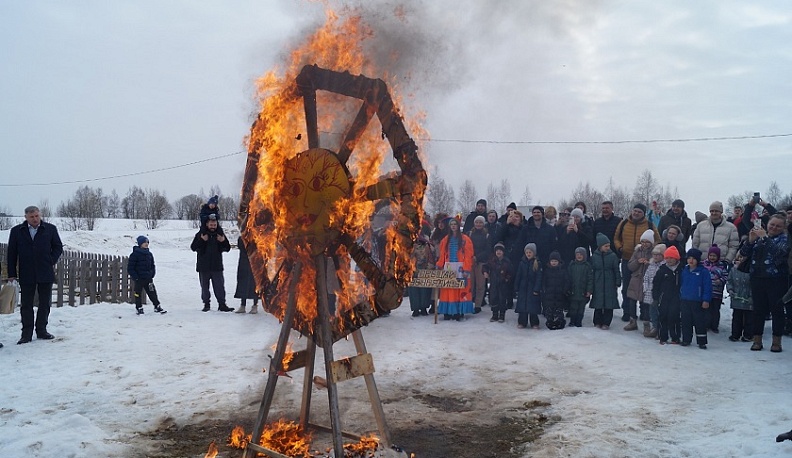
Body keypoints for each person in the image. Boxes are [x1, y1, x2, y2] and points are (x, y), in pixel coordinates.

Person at [6, 206, 63, 344]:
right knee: (26, 305)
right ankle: (26, 334)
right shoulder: (17, 231)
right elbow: (12, 254)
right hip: (26, 272)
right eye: (32, 217)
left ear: (40, 215)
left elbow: (58, 246)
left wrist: (51, 260)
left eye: (37, 216)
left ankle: (42, 330)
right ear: (26, 217)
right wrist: (12, 274)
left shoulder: (49, 229)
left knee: (44, 303)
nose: (35, 219)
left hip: (45, 271)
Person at [739, 213, 790, 352]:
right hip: (757, 278)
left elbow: (779, 254)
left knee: (777, 310)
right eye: (772, 224)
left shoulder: (784, 239)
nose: (774, 227)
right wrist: (750, 241)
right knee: (758, 310)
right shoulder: (759, 236)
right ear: (767, 224)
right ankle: (757, 340)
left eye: (778, 226)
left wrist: (765, 237)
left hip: (776, 279)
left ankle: (776, 341)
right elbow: (744, 253)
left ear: (783, 227)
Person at [613, 204, 660, 322]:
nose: (636, 213)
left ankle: (644, 312)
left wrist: (650, 252)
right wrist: (620, 248)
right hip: (627, 259)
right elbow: (616, 238)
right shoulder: (624, 223)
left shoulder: (649, 225)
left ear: (643, 213)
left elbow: (658, 240)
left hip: (645, 262)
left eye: (639, 211)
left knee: (644, 287)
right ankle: (627, 312)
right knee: (628, 287)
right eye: (635, 211)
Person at [190, 214, 234, 312]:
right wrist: (202, 240)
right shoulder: (200, 234)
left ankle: (222, 304)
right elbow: (193, 247)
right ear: (207, 224)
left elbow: (227, 248)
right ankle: (206, 304)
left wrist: (223, 241)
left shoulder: (220, 234)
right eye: (211, 225)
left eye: (214, 225)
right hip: (203, 266)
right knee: (205, 287)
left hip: (216, 266)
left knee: (219, 287)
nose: (213, 226)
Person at [435, 218, 475, 321]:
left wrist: (466, 269)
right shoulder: (445, 240)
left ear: (458, 225)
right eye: (451, 224)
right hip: (448, 267)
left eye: (455, 224)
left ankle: (458, 311)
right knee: (448, 289)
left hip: (461, 267)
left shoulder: (466, 239)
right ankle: (448, 311)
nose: (453, 226)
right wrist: (439, 265)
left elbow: (468, 255)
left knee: (460, 289)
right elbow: (442, 255)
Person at [679, 248, 712, 349]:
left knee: (699, 322)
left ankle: (701, 341)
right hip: (685, 300)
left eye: (693, 258)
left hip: (698, 301)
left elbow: (707, 287)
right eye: (689, 258)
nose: (691, 260)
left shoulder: (703, 272)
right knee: (685, 321)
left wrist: (706, 300)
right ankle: (686, 339)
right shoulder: (684, 270)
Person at [625, 230, 655, 331]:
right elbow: (630, 266)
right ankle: (632, 321)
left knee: (646, 303)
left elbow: (656, 266)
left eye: (647, 242)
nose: (644, 244)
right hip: (635, 280)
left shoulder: (654, 253)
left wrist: (649, 263)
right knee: (632, 301)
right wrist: (638, 262)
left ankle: (646, 324)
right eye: (643, 241)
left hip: (647, 282)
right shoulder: (637, 251)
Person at [590, 233, 621, 330]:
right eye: (605, 246)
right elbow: (592, 271)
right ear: (600, 246)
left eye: (609, 245)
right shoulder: (594, 257)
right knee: (598, 303)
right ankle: (597, 321)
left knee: (609, 303)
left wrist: (617, 281)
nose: (608, 248)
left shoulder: (612, 256)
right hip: (598, 281)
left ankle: (606, 322)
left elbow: (616, 270)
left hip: (609, 282)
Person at [128, 236, 165, 315]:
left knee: (152, 292)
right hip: (139, 279)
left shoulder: (149, 254)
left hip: (148, 279)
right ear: (140, 244)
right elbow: (130, 268)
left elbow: (152, 265)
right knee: (137, 293)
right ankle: (139, 307)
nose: (146, 244)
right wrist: (136, 277)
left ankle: (157, 306)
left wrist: (152, 274)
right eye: (144, 242)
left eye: (147, 242)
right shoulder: (135, 255)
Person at [653, 246, 682, 345]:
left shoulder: (680, 270)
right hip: (663, 297)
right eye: (667, 258)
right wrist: (655, 297)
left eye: (671, 258)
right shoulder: (662, 270)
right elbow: (656, 284)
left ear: (676, 258)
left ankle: (675, 337)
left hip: (676, 298)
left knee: (674, 317)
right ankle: (663, 336)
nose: (669, 260)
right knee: (663, 316)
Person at [726, 251, 753, 342]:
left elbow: (754, 284)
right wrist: (730, 290)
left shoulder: (752, 270)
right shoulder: (733, 270)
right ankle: (735, 334)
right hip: (737, 298)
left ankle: (748, 335)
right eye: (739, 257)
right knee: (737, 318)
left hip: (748, 299)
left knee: (749, 318)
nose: (741, 260)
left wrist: (752, 295)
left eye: (743, 258)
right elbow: (729, 281)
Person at [514, 243, 542, 329]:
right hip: (523, 288)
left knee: (533, 307)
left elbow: (539, 277)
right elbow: (518, 275)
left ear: (534, 253)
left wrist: (537, 288)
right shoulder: (522, 263)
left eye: (530, 252)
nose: (528, 254)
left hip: (532, 289)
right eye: (527, 252)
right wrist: (516, 286)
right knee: (522, 307)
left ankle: (534, 323)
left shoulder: (537, 263)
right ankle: (522, 322)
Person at [702, 244, 729, 333]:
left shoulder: (721, 266)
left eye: (714, 256)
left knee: (715, 310)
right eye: (711, 255)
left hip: (717, 292)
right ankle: (706, 324)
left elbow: (726, 276)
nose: (712, 257)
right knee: (706, 309)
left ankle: (714, 325)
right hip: (706, 292)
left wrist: (720, 280)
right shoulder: (704, 265)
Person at [641, 243, 666, 338]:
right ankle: (654, 327)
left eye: (658, 255)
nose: (655, 256)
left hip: (659, 293)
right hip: (649, 292)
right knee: (652, 310)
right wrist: (645, 287)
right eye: (654, 254)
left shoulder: (663, 266)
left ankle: (660, 328)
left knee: (659, 311)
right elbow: (646, 277)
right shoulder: (651, 265)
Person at [484, 242, 514, 323]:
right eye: (497, 251)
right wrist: (485, 272)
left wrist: (507, 278)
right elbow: (485, 267)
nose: (498, 252)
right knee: (493, 299)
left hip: (503, 284)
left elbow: (511, 272)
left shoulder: (507, 261)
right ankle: (494, 314)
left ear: (503, 252)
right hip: (494, 283)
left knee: (502, 299)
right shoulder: (492, 260)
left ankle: (502, 315)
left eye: (500, 251)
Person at [408, 234, 435, 317]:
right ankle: (416, 309)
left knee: (425, 290)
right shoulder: (409, 246)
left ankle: (423, 308)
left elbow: (430, 258)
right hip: (413, 271)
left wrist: (429, 268)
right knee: (414, 291)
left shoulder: (427, 246)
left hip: (424, 270)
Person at [467, 215, 490, 313]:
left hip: (481, 262)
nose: (478, 224)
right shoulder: (470, 234)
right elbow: (466, 247)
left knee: (480, 285)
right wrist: (471, 257)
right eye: (477, 222)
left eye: (480, 222)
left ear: (483, 224)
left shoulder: (487, 235)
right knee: (470, 284)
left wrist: (478, 257)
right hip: (470, 261)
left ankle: (478, 305)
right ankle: (468, 302)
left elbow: (488, 249)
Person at [567, 247, 593, 327]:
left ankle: (579, 321)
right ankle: (572, 321)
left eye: (581, 255)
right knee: (573, 307)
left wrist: (589, 290)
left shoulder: (587, 266)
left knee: (581, 308)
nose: (579, 256)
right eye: (577, 254)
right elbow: (568, 278)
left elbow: (590, 279)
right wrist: (568, 288)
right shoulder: (572, 265)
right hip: (573, 291)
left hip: (583, 291)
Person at [542, 251, 568, 330]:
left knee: (558, 310)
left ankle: (559, 322)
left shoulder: (563, 271)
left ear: (559, 262)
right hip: (549, 294)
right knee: (549, 310)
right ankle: (550, 322)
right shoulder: (547, 271)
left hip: (559, 294)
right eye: (552, 261)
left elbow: (566, 281)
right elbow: (544, 281)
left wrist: (565, 289)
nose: (554, 263)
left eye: (555, 261)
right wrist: (544, 289)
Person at [234, 236, 259, 314]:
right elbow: (241, 246)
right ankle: (242, 305)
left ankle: (255, 305)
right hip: (244, 262)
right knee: (243, 282)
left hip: (256, 262)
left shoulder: (258, 236)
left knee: (255, 283)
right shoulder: (242, 237)